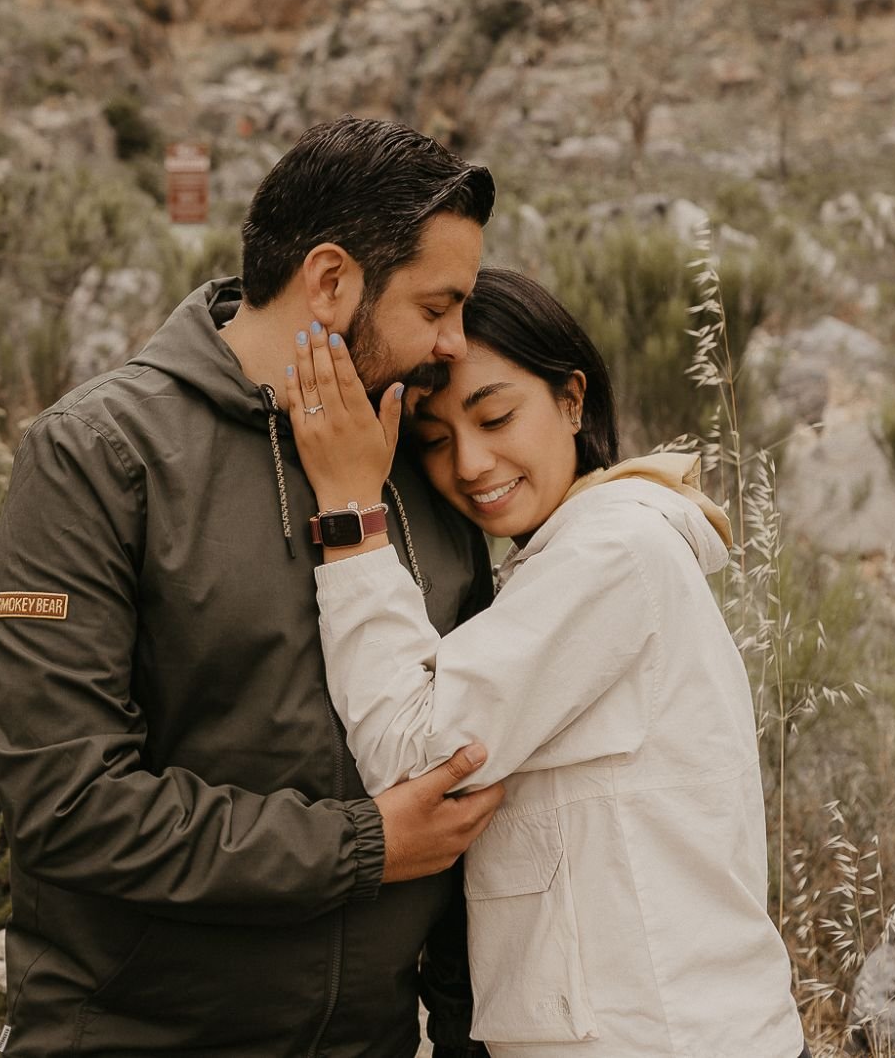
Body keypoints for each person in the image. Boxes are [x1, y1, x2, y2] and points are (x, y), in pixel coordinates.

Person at [0, 117, 508, 1057]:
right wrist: (364, 844)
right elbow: (69, 803)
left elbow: (475, 790)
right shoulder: (101, 454)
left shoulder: (426, 464)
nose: (456, 343)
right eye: (437, 306)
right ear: (331, 280)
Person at [281, 267, 808, 1058]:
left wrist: (351, 517)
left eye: (495, 416)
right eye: (435, 441)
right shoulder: (572, 557)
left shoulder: (614, 552)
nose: (470, 462)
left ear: (571, 399)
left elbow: (411, 756)